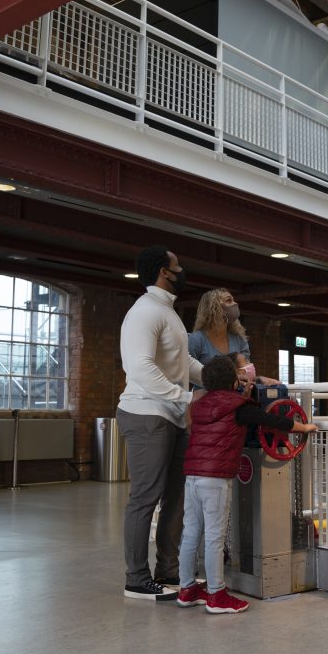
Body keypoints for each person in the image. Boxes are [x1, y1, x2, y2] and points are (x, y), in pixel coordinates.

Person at [175, 355, 318, 613]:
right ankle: (217, 594)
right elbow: (273, 421)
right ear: (233, 380)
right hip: (216, 479)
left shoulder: (199, 405)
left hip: (192, 476)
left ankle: (187, 589)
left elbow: (215, 415)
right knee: (215, 538)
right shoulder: (239, 407)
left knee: (191, 533)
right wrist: (304, 427)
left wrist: (242, 394)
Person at [117, 246, 203, 601]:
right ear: (164, 272)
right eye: (177, 265)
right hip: (146, 414)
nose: (182, 270)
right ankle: (136, 579)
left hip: (172, 415)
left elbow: (183, 363)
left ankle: (168, 570)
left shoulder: (167, 312)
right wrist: (184, 397)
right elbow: (139, 367)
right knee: (145, 498)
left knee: (175, 498)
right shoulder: (145, 311)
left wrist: (219, 378)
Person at [188, 288, 279, 385]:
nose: (235, 304)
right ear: (214, 307)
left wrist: (259, 380)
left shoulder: (239, 339)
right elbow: (188, 372)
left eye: (233, 300)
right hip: (205, 393)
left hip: (236, 393)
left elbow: (245, 374)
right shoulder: (196, 339)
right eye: (229, 300)